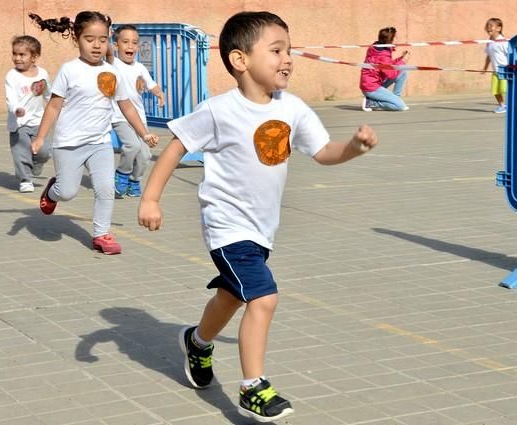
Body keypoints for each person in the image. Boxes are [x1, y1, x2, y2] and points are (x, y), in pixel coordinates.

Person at [137, 11, 378, 422]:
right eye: (277, 50)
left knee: (232, 296)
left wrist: (354, 147)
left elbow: (322, 152)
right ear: (240, 60)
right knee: (263, 297)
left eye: (290, 49)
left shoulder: (293, 108)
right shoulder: (219, 110)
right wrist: (151, 199)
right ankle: (253, 387)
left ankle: (197, 342)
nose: (288, 58)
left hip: (262, 228)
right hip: (226, 225)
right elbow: (177, 146)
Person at [29, 11, 158, 255]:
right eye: (90, 39)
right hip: (69, 144)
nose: (97, 45)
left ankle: (102, 234)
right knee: (67, 192)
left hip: (99, 143)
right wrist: (40, 137)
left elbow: (126, 105)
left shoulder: (112, 71)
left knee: (105, 189)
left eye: (102, 39)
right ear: (77, 39)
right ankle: (53, 190)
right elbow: (54, 105)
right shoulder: (70, 70)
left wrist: (143, 133)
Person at [108, 24, 166, 198]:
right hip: (119, 117)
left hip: (139, 119)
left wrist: (160, 94)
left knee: (146, 155)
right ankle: (122, 173)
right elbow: (108, 51)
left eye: (134, 43)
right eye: (125, 42)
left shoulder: (140, 67)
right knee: (131, 146)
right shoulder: (113, 63)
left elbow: (152, 85)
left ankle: (134, 180)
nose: (130, 46)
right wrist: (106, 34)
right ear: (116, 45)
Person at [4, 35, 52, 193]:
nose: (17, 58)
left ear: (34, 57)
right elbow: (10, 97)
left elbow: (47, 93)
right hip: (18, 123)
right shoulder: (12, 76)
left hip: (38, 121)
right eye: (14, 54)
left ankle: (37, 163)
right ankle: (25, 179)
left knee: (44, 151)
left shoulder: (42, 74)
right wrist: (16, 108)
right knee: (21, 152)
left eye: (22, 54)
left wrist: (58, 104)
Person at [359, 26, 410, 111]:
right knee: (400, 106)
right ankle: (371, 103)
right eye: (396, 38)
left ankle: (395, 98)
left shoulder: (377, 48)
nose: (397, 41)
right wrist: (403, 61)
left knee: (402, 71)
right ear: (390, 40)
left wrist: (401, 58)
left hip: (374, 83)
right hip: (371, 87)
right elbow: (391, 75)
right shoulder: (383, 54)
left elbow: (389, 65)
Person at [482, 18, 509, 114]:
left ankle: (511, 105)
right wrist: (485, 68)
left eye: (491, 26)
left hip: (504, 70)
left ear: (498, 28)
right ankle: (502, 106)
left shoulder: (503, 42)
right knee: (495, 91)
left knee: (504, 89)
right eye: (487, 26)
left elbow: (510, 55)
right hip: (495, 71)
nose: (488, 28)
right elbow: (488, 56)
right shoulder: (489, 42)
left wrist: (511, 67)